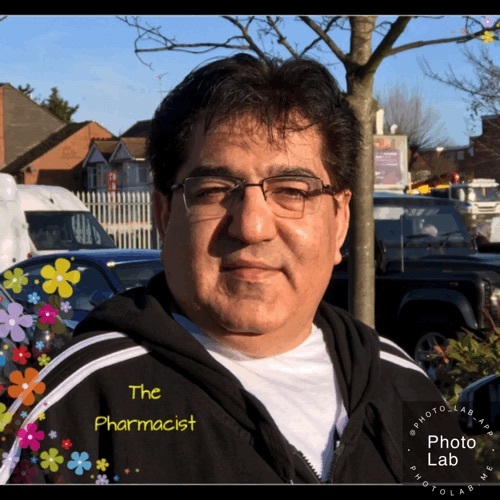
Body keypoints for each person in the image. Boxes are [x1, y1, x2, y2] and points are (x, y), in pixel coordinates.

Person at [0, 53, 480, 485]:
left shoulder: (405, 387)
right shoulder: (76, 406)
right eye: (213, 191)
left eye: (292, 191)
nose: (252, 226)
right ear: (164, 217)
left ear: (339, 223)